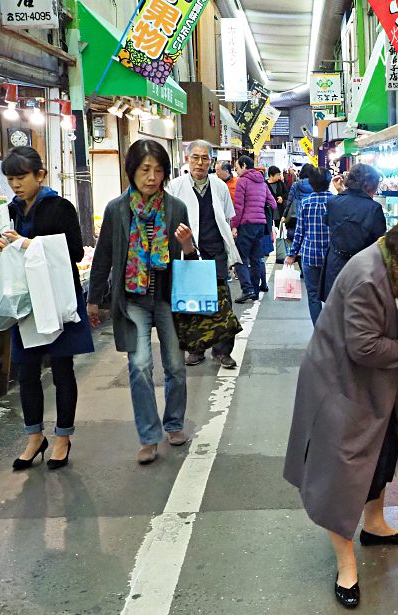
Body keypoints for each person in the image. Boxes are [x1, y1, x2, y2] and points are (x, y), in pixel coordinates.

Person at [284, 206, 398, 609]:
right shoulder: (369, 274)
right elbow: (363, 345)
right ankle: (346, 565)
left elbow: (391, 326)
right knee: (341, 476)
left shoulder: (394, 267)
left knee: (380, 459)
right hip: (340, 389)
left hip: (373, 387)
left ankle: (376, 526)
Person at [87, 140, 198, 465]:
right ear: (132, 171)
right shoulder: (116, 209)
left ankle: (174, 424)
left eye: (158, 170)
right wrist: (94, 298)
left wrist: (187, 244)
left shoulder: (175, 207)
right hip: (132, 299)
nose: (152, 177)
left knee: (176, 366)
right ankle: (148, 436)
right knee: (139, 367)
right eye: (145, 169)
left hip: (167, 298)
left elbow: (190, 258)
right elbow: (104, 254)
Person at [0, 147, 93, 471]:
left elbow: (75, 252)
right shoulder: (9, 211)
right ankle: (34, 437)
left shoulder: (60, 207)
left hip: (57, 299)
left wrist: (27, 243)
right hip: (24, 303)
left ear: (40, 175)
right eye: (10, 179)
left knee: (62, 370)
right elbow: (3, 256)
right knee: (26, 372)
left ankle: (62, 437)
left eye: (21, 177)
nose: (16, 185)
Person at [167, 139, 243, 369]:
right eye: (195, 158)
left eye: (204, 158)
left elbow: (228, 216)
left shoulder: (219, 186)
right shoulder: (175, 186)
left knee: (223, 303)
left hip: (215, 251)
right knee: (193, 301)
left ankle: (222, 351)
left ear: (211, 161)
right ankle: (196, 348)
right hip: (188, 253)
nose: (199, 163)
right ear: (187, 159)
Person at [319, 163, 385, 302]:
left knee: (335, 310)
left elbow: (330, 222)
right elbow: (380, 243)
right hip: (361, 269)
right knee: (357, 313)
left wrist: (340, 192)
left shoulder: (333, 202)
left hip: (335, 263)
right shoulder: (373, 208)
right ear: (370, 185)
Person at [285, 167, 332, 324]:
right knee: (332, 295)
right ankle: (333, 331)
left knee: (313, 295)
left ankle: (319, 332)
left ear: (311, 184)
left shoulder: (305, 203)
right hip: (331, 257)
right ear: (329, 182)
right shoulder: (336, 202)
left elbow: (299, 233)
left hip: (310, 256)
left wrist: (292, 254)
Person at [231, 155, 275, 303]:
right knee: (256, 258)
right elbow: (273, 203)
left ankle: (247, 289)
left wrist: (234, 225)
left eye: (237, 167)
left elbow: (239, 207)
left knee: (240, 257)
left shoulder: (242, 182)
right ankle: (255, 291)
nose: (236, 170)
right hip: (260, 225)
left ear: (244, 166)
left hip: (247, 224)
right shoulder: (262, 181)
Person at [281, 164, 314, 244]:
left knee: (293, 239)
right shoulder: (316, 186)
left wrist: (284, 215)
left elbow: (289, 202)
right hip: (311, 216)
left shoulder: (295, 185)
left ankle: (294, 255)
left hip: (295, 216)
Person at [267, 166, 290, 271]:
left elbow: (286, 193)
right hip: (268, 211)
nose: (279, 176)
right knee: (268, 230)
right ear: (271, 175)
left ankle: (280, 251)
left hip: (279, 210)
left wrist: (282, 198)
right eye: (277, 174)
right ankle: (267, 248)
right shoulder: (265, 184)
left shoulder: (280, 183)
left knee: (280, 231)